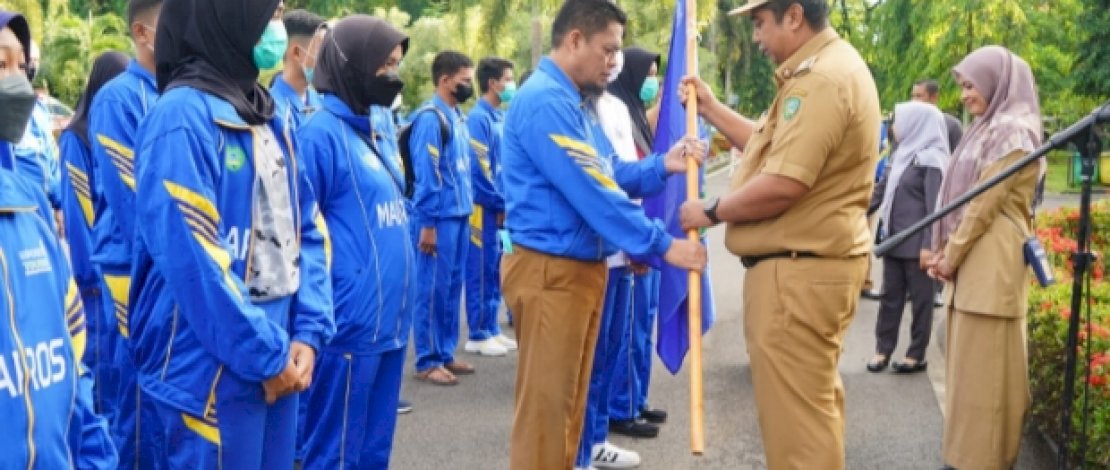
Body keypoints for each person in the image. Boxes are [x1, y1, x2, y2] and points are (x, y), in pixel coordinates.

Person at [500, 1, 707, 467]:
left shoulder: (574, 100)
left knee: (570, 413)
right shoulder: (546, 101)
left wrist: (662, 165)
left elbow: (608, 170)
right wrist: (664, 245)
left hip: (577, 272)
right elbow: (594, 191)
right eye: (607, 49)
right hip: (551, 273)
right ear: (574, 40)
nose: (613, 61)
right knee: (546, 422)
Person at [129, 0, 334, 467]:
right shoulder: (180, 118)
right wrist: (265, 355)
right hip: (212, 369)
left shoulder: (268, 112)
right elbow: (195, 263)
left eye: (281, 15)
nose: (277, 28)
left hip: (281, 353)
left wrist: (307, 331)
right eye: (271, 12)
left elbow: (308, 229)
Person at [678, 0, 880, 467]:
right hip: (808, 270)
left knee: (798, 436)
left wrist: (709, 210)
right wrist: (710, 109)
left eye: (759, 23)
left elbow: (785, 183)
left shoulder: (820, 81)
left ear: (793, 15)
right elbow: (770, 150)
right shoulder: (825, 69)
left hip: (797, 276)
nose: (755, 37)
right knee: (810, 418)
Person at [0, 11, 118, 469]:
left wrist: (93, 458)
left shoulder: (28, 205)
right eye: (0, 65)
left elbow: (73, 361)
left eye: (21, 69)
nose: (17, 86)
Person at [296, 15, 412, 469]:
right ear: (352, 64)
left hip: (390, 325)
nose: (392, 75)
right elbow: (300, 234)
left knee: (373, 451)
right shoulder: (318, 135)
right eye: (383, 65)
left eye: (396, 64)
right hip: (349, 327)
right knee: (335, 452)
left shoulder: (378, 126)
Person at [926, 45, 1042, 470]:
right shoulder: (987, 129)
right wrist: (944, 254)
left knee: (987, 386)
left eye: (970, 85)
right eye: (962, 86)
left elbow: (982, 205)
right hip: (974, 274)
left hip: (989, 273)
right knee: (970, 385)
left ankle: (980, 463)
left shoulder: (1012, 133)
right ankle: (965, 460)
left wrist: (949, 256)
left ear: (996, 82)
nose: (964, 95)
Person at [87, 1, 166, 466]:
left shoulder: (174, 92)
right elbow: (134, 203)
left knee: (164, 397)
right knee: (136, 402)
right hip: (129, 271)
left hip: (169, 265)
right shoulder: (118, 99)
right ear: (142, 31)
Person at [57, 50, 130, 411]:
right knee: (100, 382)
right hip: (95, 286)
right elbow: (78, 212)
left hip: (114, 280)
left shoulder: (112, 138)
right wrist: (90, 277)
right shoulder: (76, 138)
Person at [603, 46, 669, 441]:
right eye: (648, 73)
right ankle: (620, 407)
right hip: (628, 239)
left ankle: (636, 398)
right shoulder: (614, 113)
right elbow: (621, 180)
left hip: (645, 234)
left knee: (641, 326)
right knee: (624, 331)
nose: (653, 81)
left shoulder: (635, 119)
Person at [864, 101, 948, 374]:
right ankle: (882, 350)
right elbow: (881, 192)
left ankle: (916, 354)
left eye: (899, 121)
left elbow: (935, 207)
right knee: (890, 297)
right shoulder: (901, 155)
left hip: (918, 246)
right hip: (895, 240)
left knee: (922, 301)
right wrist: (852, 209)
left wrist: (928, 246)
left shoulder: (933, 160)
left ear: (916, 123)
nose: (893, 127)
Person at [410, 50, 477, 386]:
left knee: (451, 288)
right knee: (431, 289)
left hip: (461, 214)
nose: (469, 86)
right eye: (464, 80)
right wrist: (428, 223)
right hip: (439, 219)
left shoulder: (458, 118)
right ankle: (427, 358)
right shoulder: (429, 119)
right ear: (445, 80)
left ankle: (446, 350)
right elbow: (427, 175)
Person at [463, 56, 516, 358]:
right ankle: (478, 331)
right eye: (507, 79)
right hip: (483, 207)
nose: (510, 85)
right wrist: (498, 201)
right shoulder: (479, 119)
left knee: (496, 267)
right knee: (481, 267)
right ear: (493, 83)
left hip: (501, 207)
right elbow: (478, 169)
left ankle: (492, 327)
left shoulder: (499, 117)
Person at [13, 39, 61, 214]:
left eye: (36, 61)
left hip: (42, 209)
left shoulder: (39, 110)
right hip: (14, 208)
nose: (31, 66)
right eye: (27, 60)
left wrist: (60, 204)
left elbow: (50, 159)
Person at [271, 8, 325, 130]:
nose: (327, 59)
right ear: (297, 53)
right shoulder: (271, 111)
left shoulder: (322, 103)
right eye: (322, 51)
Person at [911, 78, 964, 153]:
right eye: (912, 96)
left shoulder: (951, 125)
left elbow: (959, 156)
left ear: (934, 98)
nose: (914, 101)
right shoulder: (908, 124)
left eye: (918, 96)